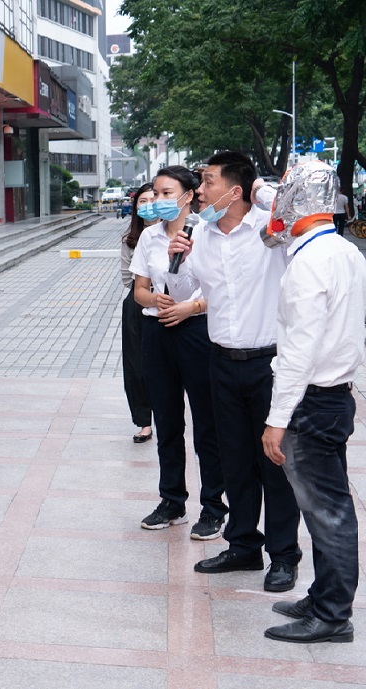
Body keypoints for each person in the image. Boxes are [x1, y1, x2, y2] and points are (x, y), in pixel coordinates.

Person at [168, 151, 302, 591]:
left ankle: (283, 555)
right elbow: (182, 291)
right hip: (221, 362)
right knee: (235, 460)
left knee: (274, 462)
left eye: (208, 182)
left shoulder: (271, 231)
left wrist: (262, 191)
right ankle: (243, 545)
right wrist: (175, 257)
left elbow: (295, 208)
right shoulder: (200, 235)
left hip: (269, 364)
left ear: (236, 190)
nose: (200, 191)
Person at [260, 157, 363, 644]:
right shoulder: (344, 251)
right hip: (334, 398)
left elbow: (299, 352)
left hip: (312, 401)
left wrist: (276, 420)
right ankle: (324, 596)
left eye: (284, 190)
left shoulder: (308, 263)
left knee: (328, 512)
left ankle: (332, 615)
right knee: (326, 506)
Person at [131, 167, 223, 535]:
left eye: (167, 193)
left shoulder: (208, 233)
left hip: (197, 331)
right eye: (155, 193)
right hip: (157, 331)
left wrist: (191, 307)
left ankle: (213, 507)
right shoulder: (150, 236)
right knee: (167, 422)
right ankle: (172, 500)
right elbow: (139, 290)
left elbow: (223, 290)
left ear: (188, 195)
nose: (158, 200)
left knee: (207, 423)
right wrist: (155, 299)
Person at [118, 184, 160, 442]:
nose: (148, 206)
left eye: (152, 199)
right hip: (137, 304)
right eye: (142, 202)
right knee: (136, 365)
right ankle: (144, 421)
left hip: (171, 303)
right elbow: (127, 279)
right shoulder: (130, 239)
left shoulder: (177, 232)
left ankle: (169, 414)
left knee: (165, 364)